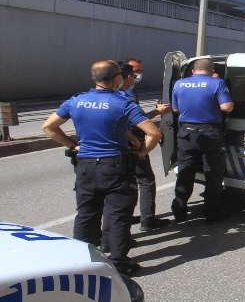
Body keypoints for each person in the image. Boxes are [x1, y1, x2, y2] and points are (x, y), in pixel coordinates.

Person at [42, 60, 162, 275]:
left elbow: (48, 127)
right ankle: (118, 263)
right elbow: (154, 133)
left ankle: (79, 262)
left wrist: (72, 145)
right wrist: (142, 152)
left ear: (94, 78)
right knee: (117, 216)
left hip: (86, 166)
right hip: (115, 166)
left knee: (86, 214)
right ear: (117, 78)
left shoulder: (76, 101)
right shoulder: (123, 103)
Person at [171, 59, 233, 224]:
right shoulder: (217, 83)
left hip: (186, 133)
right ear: (211, 70)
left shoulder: (179, 84)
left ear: (193, 70)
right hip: (210, 132)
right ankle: (212, 213)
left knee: (185, 171)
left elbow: (175, 109)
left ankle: (179, 210)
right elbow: (227, 107)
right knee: (212, 173)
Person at [121, 57, 172, 231]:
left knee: (125, 183)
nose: (138, 75)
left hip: (118, 146)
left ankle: (124, 220)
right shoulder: (127, 94)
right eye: (135, 71)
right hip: (132, 143)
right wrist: (140, 146)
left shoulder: (112, 94)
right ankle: (148, 220)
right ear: (126, 74)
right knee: (145, 181)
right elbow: (141, 123)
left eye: (141, 71)